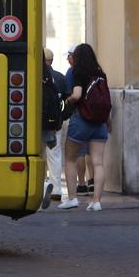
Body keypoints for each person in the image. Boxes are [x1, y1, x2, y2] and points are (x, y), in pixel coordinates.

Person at [58, 43, 110, 211]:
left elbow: (77, 95)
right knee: (98, 163)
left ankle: (72, 198)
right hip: (100, 123)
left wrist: (67, 101)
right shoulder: (101, 74)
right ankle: (96, 201)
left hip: (81, 120)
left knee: (70, 159)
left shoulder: (78, 72)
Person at [65, 46, 94, 196]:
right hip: (96, 116)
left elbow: (74, 94)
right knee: (93, 152)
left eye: (69, 55)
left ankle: (81, 184)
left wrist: (68, 101)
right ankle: (92, 181)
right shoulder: (97, 71)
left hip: (80, 115)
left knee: (79, 152)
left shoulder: (73, 72)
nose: (68, 58)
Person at [43, 48, 67, 201]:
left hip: (36, 124)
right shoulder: (60, 77)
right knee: (54, 155)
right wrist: (63, 116)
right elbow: (69, 99)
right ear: (51, 61)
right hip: (54, 124)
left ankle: (38, 187)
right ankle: (56, 189)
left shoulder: (35, 75)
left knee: (38, 155)